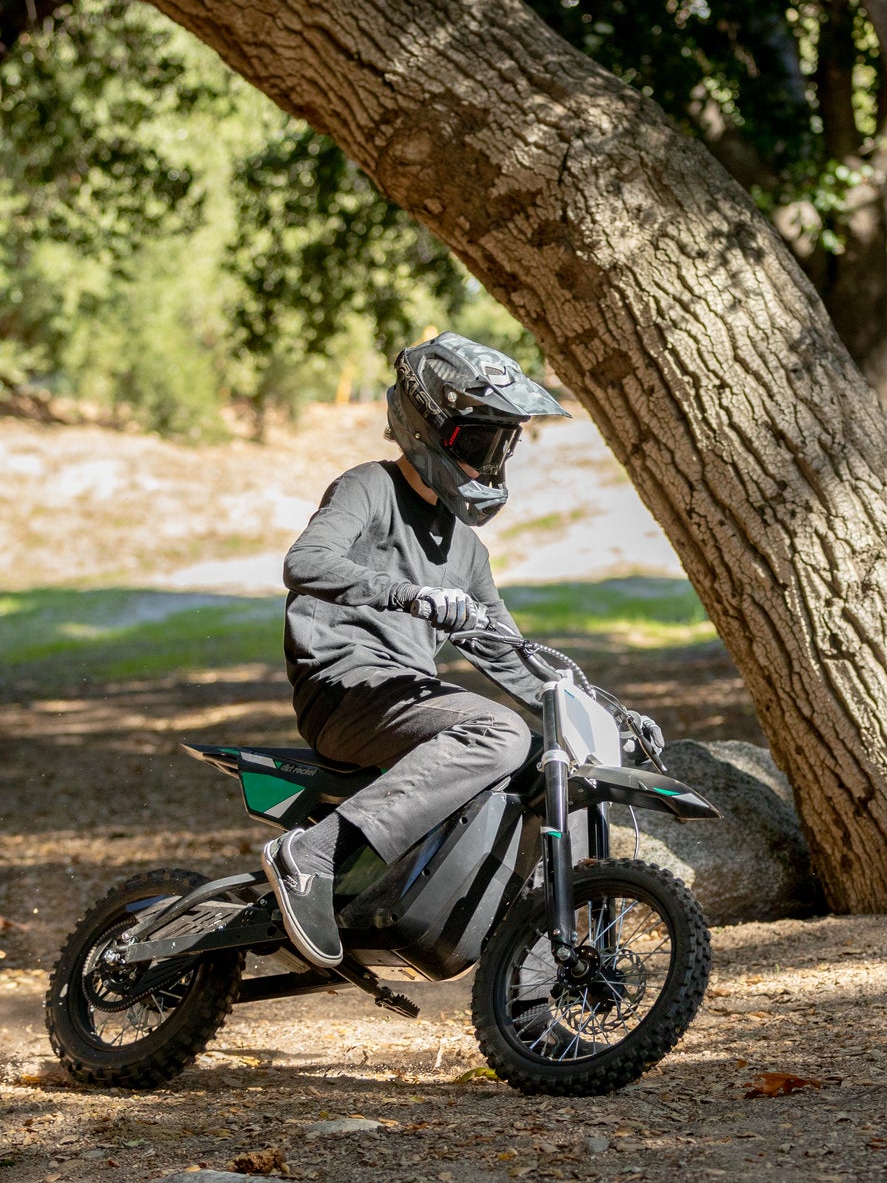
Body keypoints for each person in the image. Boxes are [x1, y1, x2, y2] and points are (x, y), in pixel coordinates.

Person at [262, 332, 662, 968]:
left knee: (549, 762)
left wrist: (611, 719)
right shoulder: (369, 487)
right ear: (429, 427)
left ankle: (531, 971)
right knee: (497, 732)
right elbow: (305, 561)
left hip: (406, 701)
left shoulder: (467, 551)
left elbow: (512, 655)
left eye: (503, 445)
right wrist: (407, 594)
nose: (490, 462)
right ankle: (314, 854)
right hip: (346, 691)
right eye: (479, 443)